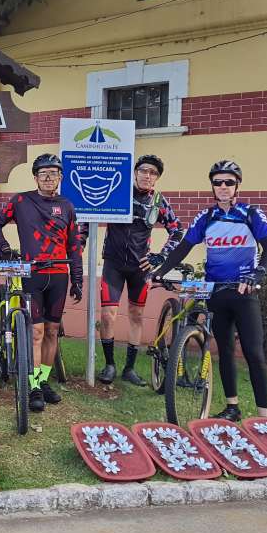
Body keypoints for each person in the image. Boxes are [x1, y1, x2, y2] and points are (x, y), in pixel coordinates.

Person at [153, 160, 267, 422]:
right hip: (216, 293)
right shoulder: (206, 217)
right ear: (212, 186)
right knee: (225, 350)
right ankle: (232, 407)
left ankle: (265, 418)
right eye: (218, 182)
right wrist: (161, 271)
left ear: (237, 186)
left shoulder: (251, 214)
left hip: (243, 292)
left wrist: (258, 273)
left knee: (254, 353)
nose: (223, 187)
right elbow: (184, 246)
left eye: (228, 182)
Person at [80, 154, 185, 386]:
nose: (148, 176)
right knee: (108, 316)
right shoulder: (117, 193)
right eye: (144, 171)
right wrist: (81, 241)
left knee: (136, 316)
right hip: (113, 264)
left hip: (141, 267)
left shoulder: (158, 201)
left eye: (153, 173)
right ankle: (109, 365)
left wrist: (161, 256)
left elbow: (177, 230)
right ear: (135, 173)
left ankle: (129, 368)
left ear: (156, 178)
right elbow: (88, 216)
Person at [0, 153, 83, 412]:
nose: (48, 177)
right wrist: (5, 248)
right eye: (43, 173)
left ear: (61, 177)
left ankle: (42, 381)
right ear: (35, 177)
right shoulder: (21, 200)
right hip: (31, 274)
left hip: (59, 276)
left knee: (53, 331)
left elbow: (74, 246)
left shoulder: (67, 206)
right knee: (36, 332)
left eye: (53, 173)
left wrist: (77, 278)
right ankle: (31, 386)